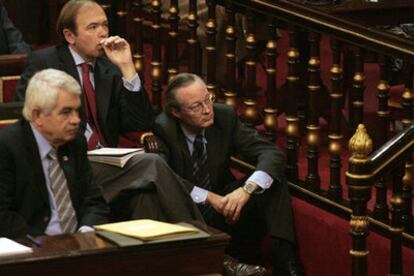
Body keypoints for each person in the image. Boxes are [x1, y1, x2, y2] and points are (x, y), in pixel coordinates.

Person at [14, 0, 203, 225]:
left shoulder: (109, 67)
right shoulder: (45, 62)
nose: (103, 34)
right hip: (66, 163)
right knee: (151, 163)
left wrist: (127, 69)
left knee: (145, 196)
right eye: (92, 27)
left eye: (104, 25)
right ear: (70, 36)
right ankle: (207, 239)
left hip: (108, 162)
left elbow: (139, 123)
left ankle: (153, 260)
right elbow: (26, 117)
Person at [153, 73, 301, 275]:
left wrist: (246, 190)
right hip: (186, 212)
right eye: (196, 106)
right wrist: (209, 198)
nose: (207, 110)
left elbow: (271, 153)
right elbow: (163, 178)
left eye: (208, 99)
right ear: (176, 112)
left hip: (227, 208)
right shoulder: (163, 128)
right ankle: (226, 264)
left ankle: (286, 264)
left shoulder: (224, 116)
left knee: (271, 178)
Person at [0, 68, 109, 239]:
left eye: (77, 111)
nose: (76, 120)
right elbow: (3, 217)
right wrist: (46, 244)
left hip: (80, 246)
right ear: (37, 115)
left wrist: (86, 233)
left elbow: (93, 200)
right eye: (66, 112)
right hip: (33, 249)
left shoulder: (75, 141)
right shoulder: (7, 147)